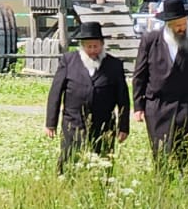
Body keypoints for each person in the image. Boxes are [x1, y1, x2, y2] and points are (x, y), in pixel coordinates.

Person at [132, 0, 188, 160]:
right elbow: (140, 75)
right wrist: (138, 106)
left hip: (186, 105)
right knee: (161, 155)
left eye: (184, 24)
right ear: (168, 25)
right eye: (177, 25)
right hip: (158, 106)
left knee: (186, 154)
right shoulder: (150, 40)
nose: (182, 28)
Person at [45, 20, 129, 170]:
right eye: (88, 46)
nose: (92, 50)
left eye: (96, 46)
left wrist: (123, 127)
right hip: (73, 124)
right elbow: (55, 93)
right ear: (82, 46)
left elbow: (123, 99)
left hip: (103, 126)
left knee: (103, 166)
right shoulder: (69, 61)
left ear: (102, 44)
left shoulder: (114, 65)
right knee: (69, 163)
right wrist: (51, 124)